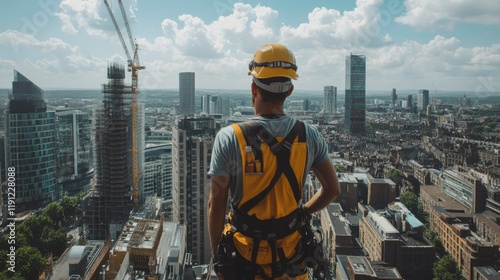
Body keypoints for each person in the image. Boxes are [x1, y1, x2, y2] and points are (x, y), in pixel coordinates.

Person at [208, 43, 340, 280]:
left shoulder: (230, 137)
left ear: (253, 88)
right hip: (291, 261)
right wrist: (304, 211)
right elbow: (332, 190)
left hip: (243, 261)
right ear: (289, 91)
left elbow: (215, 207)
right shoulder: (308, 135)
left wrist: (219, 259)